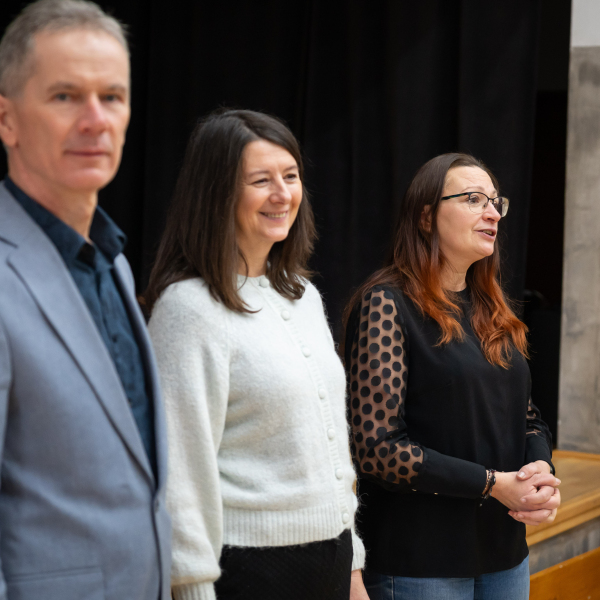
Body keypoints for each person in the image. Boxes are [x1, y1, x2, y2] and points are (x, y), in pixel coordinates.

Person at [145, 108, 367, 600]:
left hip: (330, 563)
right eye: (261, 180)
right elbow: (180, 470)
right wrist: (191, 588)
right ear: (217, 193)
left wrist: (353, 567)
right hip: (249, 572)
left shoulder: (302, 296)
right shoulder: (189, 308)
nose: (282, 194)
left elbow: (330, 451)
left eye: (290, 176)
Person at [0, 1, 171, 599]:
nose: (95, 120)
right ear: (7, 120)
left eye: (112, 97)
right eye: (65, 96)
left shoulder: (113, 261)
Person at [343, 153, 561, 600]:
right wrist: (492, 484)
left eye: (496, 202)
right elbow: (378, 450)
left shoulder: (492, 309)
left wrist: (540, 471)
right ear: (426, 216)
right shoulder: (386, 304)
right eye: (473, 199)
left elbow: (527, 418)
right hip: (421, 562)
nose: (492, 213)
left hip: (504, 554)